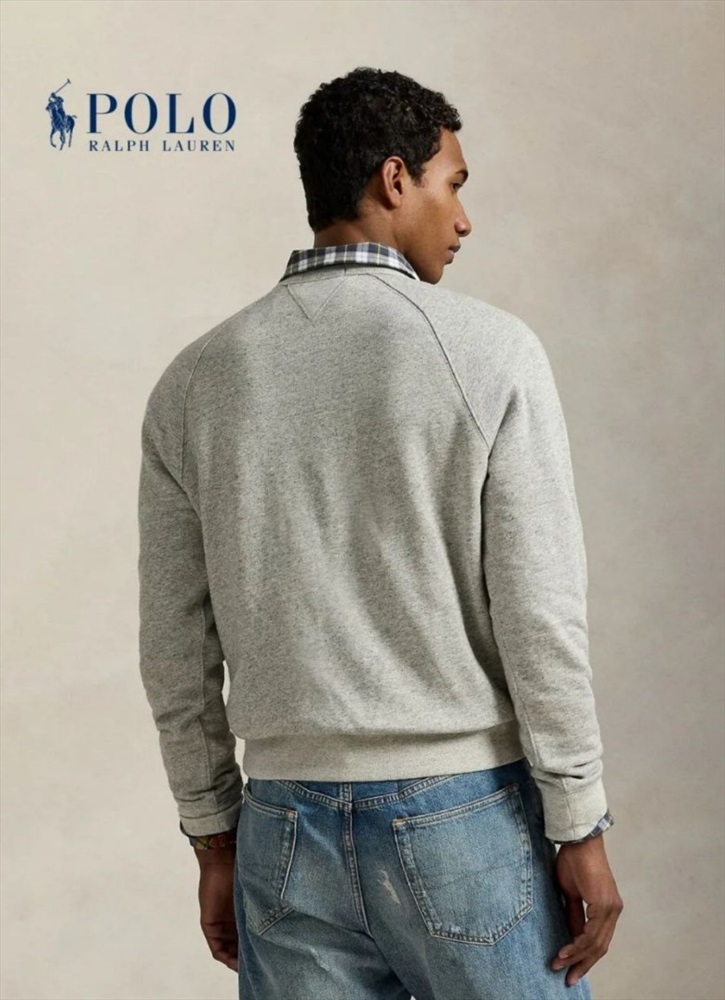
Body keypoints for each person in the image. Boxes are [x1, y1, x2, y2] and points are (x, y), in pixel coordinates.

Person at [137, 66, 623, 999]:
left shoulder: (194, 381)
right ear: (394, 180)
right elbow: (539, 613)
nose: (463, 219)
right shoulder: (491, 353)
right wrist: (580, 824)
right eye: (453, 185)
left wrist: (213, 835)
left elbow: (174, 644)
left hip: (281, 831)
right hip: (465, 820)